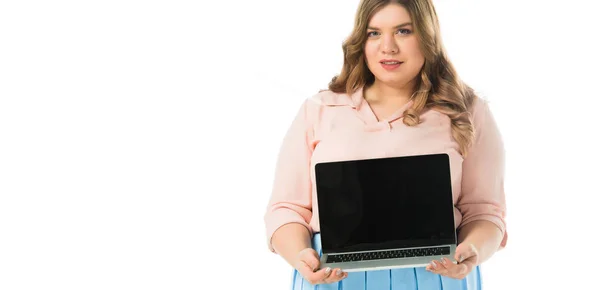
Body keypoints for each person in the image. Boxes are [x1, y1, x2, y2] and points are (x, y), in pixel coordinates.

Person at [263, 0, 508, 289]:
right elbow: (286, 208)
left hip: (436, 275)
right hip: (336, 278)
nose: (388, 47)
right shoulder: (320, 108)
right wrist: (301, 255)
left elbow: (484, 211)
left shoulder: (467, 111)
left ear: (428, 36)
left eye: (404, 31)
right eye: (374, 33)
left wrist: (474, 251)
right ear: (361, 41)